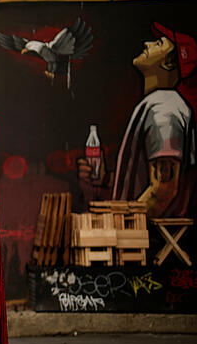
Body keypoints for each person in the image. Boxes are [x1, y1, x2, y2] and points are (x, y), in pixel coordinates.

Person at [78, 22, 196, 217]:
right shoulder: (161, 104)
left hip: (151, 241)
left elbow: (163, 189)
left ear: (169, 63)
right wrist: (106, 179)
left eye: (158, 44)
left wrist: (127, 225)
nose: (148, 44)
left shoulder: (163, 107)